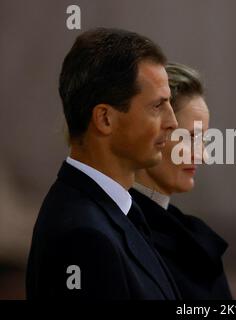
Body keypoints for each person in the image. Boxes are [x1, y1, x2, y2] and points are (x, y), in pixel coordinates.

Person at [26, 28, 180, 299]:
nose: (172, 122)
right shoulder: (82, 238)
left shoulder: (114, 211)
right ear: (105, 119)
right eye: (157, 106)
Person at [130, 62, 232, 299]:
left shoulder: (186, 238)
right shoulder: (118, 234)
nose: (203, 156)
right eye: (190, 138)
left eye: (204, 140)